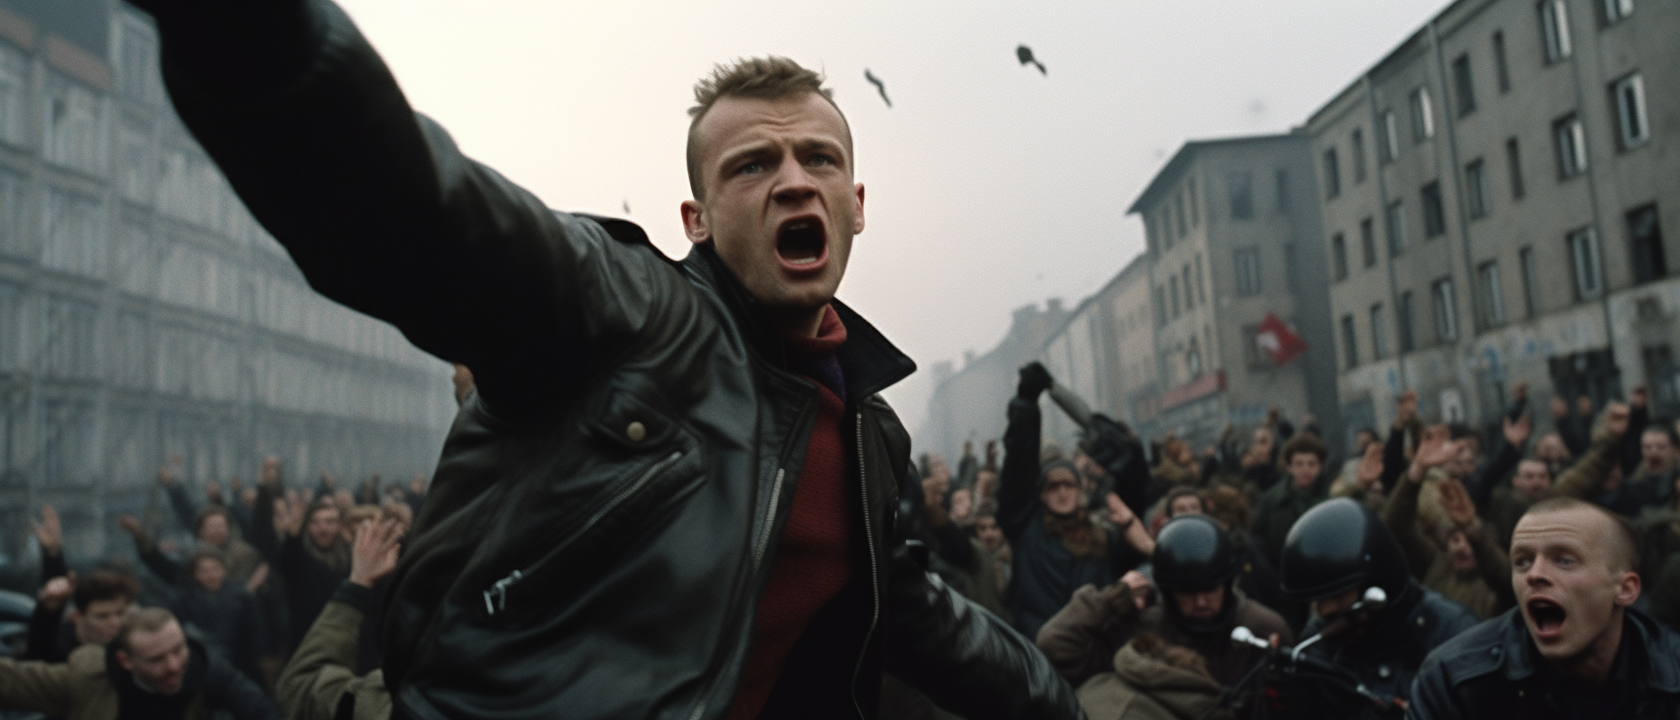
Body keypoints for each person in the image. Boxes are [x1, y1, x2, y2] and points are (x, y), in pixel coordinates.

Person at [125, 2, 1077, 716]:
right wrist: (259, 40)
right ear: (697, 222)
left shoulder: (867, 429)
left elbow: (911, 609)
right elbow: (422, 215)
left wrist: (1061, 704)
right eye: (753, 165)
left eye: (818, 159)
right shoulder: (628, 315)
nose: (793, 178)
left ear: (856, 204)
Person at [1408, 498, 1680, 718]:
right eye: (1523, 561)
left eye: (1563, 560)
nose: (1534, 574)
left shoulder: (1672, 672)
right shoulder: (1455, 680)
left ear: (1625, 589)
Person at [1037, 515, 1291, 716]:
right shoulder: (1143, 626)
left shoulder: (1262, 628)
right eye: (1187, 592)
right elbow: (1056, 646)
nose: (1201, 601)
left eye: (1210, 589)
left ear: (1226, 582)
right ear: (1168, 591)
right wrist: (1107, 602)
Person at [1271, 498, 1477, 719]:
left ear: (1376, 584)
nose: (1325, 610)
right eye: (1318, 600)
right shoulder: (1319, 641)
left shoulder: (1450, 633)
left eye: (1338, 595)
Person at [1002, 363, 1148, 641]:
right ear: (1041, 495)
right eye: (1052, 487)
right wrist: (1025, 406)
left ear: (1081, 492)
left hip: (1096, 655)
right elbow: (1017, 469)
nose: (1061, 493)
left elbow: (1136, 490)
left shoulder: (1105, 538)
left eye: (1068, 485)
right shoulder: (1026, 529)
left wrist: (1121, 449)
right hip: (1040, 651)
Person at [0, 607, 277, 719]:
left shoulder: (208, 671)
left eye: (178, 650)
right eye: (157, 659)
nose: (173, 666)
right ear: (125, 660)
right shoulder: (88, 679)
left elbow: (263, 713)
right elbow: (15, 681)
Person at [1380, 427, 1513, 619]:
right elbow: (1396, 527)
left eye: (1468, 541)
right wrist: (1417, 470)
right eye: (1454, 540)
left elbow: (1503, 576)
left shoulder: (1496, 582)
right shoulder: (1437, 565)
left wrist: (1472, 530)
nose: (1461, 547)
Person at [278, 519, 403, 720]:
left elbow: (299, 689)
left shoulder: (349, 559)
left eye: (330, 521)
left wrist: (358, 583)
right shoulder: (306, 557)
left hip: (332, 645)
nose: (323, 527)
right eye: (317, 521)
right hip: (313, 639)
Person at [1250, 432, 1329, 568]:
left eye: (1312, 464)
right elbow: (1258, 538)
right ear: (1290, 466)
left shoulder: (1331, 496)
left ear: (1320, 466)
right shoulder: (1272, 500)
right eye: (1299, 464)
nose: (1306, 469)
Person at [24, 571, 139, 663]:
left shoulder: (130, 647)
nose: (116, 623)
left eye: (120, 613)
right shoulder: (60, 651)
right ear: (77, 617)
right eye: (102, 616)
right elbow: (37, 655)